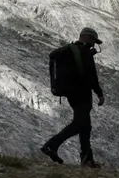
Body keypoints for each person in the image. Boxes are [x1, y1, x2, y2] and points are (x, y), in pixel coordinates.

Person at [41, 28, 106, 168]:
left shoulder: (70, 50)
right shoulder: (84, 52)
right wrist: (99, 93)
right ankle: (51, 145)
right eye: (93, 40)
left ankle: (87, 159)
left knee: (85, 126)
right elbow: (91, 75)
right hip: (82, 93)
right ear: (87, 37)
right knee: (79, 123)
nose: (94, 44)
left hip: (71, 93)